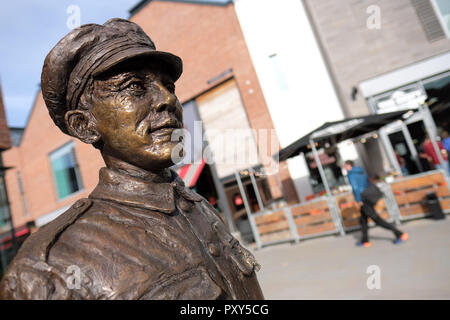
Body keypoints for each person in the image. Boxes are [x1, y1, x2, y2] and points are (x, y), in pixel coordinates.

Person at [0, 19, 263, 300]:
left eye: (169, 85)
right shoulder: (49, 267)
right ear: (84, 126)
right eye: (134, 87)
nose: (166, 100)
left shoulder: (200, 210)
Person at [344, 160, 408, 247]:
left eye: (345, 166)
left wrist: (358, 200)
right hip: (370, 196)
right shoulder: (361, 171)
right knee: (363, 220)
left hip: (364, 199)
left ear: (348, 166)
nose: (345, 167)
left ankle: (399, 234)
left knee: (377, 220)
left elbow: (355, 188)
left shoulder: (351, 175)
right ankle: (365, 240)